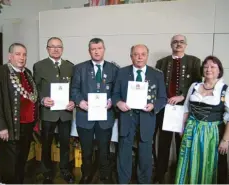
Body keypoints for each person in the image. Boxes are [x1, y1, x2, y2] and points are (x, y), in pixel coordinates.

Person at [112, 44, 167, 184]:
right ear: (131, 56)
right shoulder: (122, 72)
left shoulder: (157, 74)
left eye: (143, 54)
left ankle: (144, 181)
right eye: (136, 54)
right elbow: (115, 94)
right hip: (127, 116)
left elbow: (163, 98)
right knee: (124, 151)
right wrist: (119, 103)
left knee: (145, 154)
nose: (140, 57)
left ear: (147, 56)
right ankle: (123, 181)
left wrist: (154, 106)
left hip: (147, 117)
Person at [153, 34, 202, 183]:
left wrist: (182, 96)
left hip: (185, 109)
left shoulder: (194, 61)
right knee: (163, 143)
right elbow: (156, 85)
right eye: (175, 42)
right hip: (165, 109)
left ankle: (180, 173)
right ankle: (160, 173)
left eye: (181, 42)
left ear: (185, 45)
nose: (178, 44)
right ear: (171, 45)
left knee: (182, 142)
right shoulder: (161, 62)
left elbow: (198, 85)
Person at [71, 38, 119, 184]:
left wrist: (112, 101)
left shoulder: (114, 69)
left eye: (99, 48)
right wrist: (80, 102)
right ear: (89, 51)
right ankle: (86, 175)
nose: (96, 51)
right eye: (93, 49)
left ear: (104, 49)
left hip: (105, 117)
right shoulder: (79, 68)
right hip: (85, 116)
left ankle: (105, 176)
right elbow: (74, 90)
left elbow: (118, 91)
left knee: (104, 149)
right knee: (86, 150)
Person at [175, 55, 229, 184]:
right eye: (206, 66)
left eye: (212, 66)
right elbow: (186, 109)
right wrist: (181, 128)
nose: (208, 69)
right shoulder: (194, 86)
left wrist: (226, 140)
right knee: (188, 160)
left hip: (213, 134)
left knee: (210, 163)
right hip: (191, 131)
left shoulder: (224, 90)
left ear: (219, 70)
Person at [33, 37, 75, 183]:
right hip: (48, 112)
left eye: (59, 47)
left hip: (65, 112)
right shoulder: (39, 66)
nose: (56, 49)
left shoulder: (70, 66)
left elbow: (74, 89)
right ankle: (46, 170)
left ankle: (65, 170)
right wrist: (43, 99)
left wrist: (73, 101)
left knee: (65, 143)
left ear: (62, 49)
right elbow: (35, 88)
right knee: (46, 143)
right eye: (52, 46)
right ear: (47, 49)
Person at [0, 43, 38, 184]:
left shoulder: (27, 73)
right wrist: (1, 126)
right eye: (18, 54)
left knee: (21, 161)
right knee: (9, 163)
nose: (22, 57)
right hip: (9, 126)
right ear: (10, 56)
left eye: (24, 54)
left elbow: (32, 97)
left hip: (26, 126)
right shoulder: (0, 72)